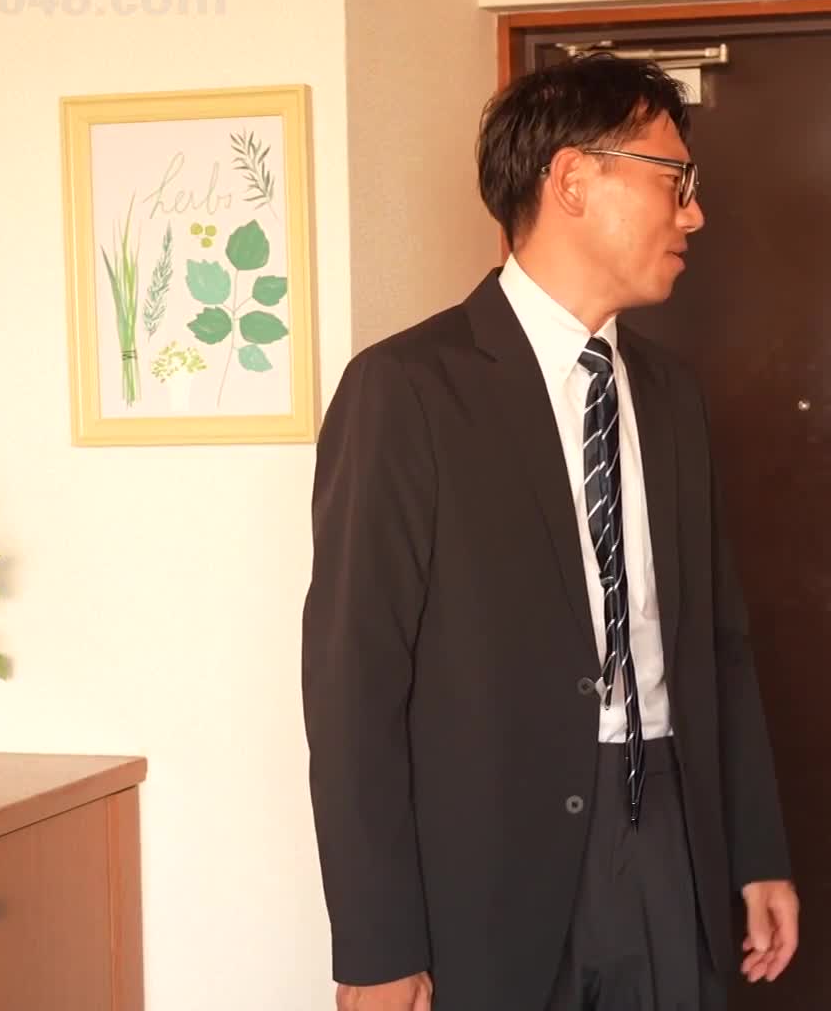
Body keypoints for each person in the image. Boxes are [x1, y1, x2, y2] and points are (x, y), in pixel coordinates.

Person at [302, 52, 799, 1011]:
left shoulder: (671, 396)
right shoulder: (408, 391)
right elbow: (353, 684)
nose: (694, 213)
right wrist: (375, 942)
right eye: (674, 180)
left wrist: (757, 850)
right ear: (573, 179)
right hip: (489, 869)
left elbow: (719, 644)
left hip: (670, 838)